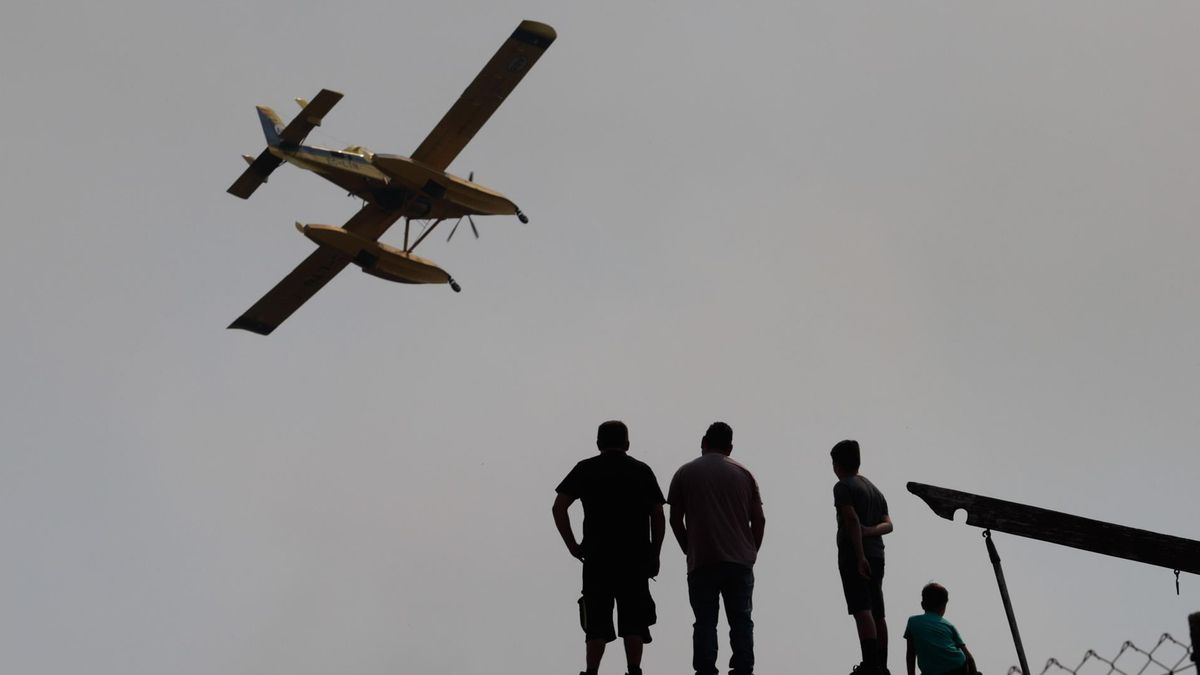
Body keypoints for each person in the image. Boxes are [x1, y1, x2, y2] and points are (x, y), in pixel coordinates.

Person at [553, 421, 666, 675]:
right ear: (627, 444)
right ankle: (634, 669)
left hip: (597, 557)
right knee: (634, 618)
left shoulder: (586, 469)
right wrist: (655, 553)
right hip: (634, 558)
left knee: (596, 618)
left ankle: (591, 670)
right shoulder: (641, 470)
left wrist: (572, 545)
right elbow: (658, 516)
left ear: (598, 444)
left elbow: (559, 506)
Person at [668, 422, 765, 675]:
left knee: (705, 621)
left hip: (703, 559)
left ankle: (706, 669)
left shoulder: (684, 473)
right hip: (739, 561)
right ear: (730, 448)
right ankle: (744, 667)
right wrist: (751, 551)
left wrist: (688, 548)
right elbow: (760, 519)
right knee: (741, 619)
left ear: (703, 441)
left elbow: (674, 519)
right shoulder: (745, 474)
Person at [831, 439, 894, 675]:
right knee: (878, 610)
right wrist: (871, 532)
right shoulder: (874, 490)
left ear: (838, 464)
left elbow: (851, 520)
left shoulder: (843, 487)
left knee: (862, 608)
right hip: (878, 554)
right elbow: (888, 525)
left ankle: (870, 664)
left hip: (855, 555)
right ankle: (882, 664)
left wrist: (859, 556)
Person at [903, 583, 978, 675]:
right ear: (944, 606)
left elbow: (910, 654)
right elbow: (968, 657)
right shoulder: (949, 625)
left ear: (922, 605)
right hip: (957, 667)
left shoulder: (913, 622)